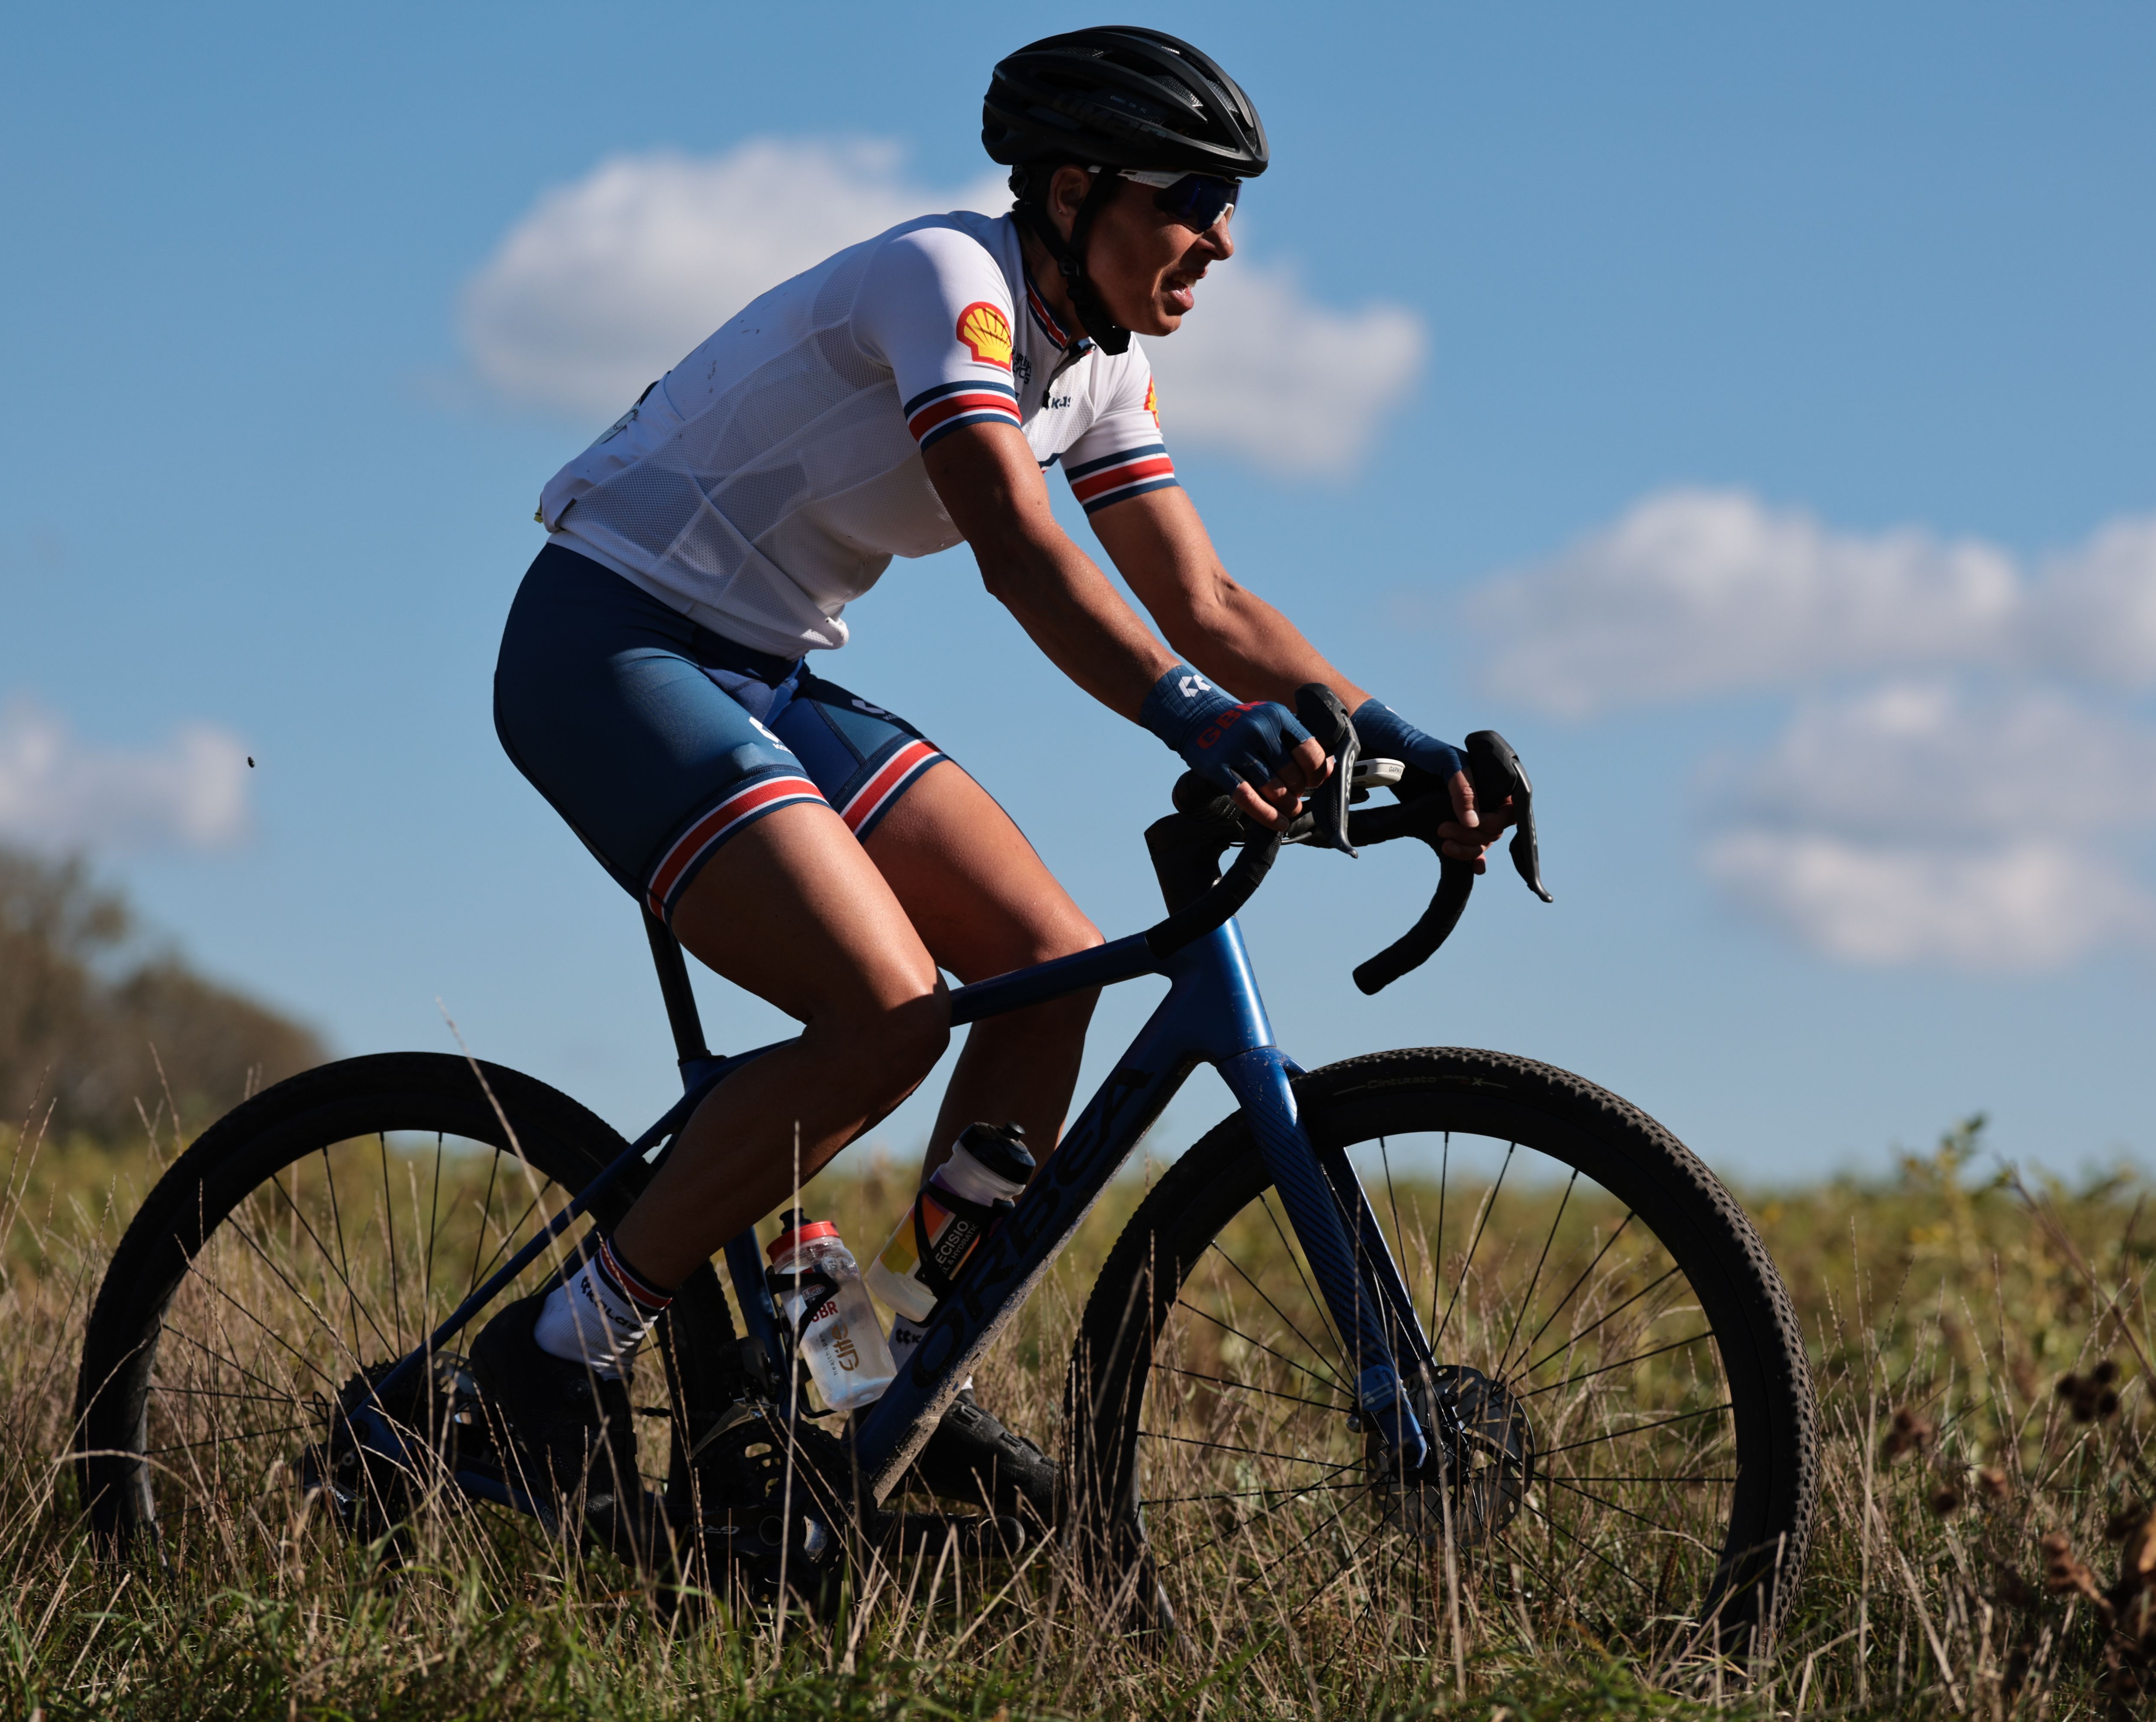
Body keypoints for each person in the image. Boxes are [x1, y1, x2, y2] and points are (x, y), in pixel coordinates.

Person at [472, 25, 1505, 1542]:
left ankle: (870, 1367)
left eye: (1231, 208)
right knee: (887, 1007)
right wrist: (1201, 726)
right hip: (605, 641)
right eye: (1191, 200)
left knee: (1045, 969)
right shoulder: (944, 279)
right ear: (1074, 190)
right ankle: (554, 1354)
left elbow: (1207, 604)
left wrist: (1401, 743)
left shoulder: (1102, 371)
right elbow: (1022, 552)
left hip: (764, 665)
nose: (1220, 241)